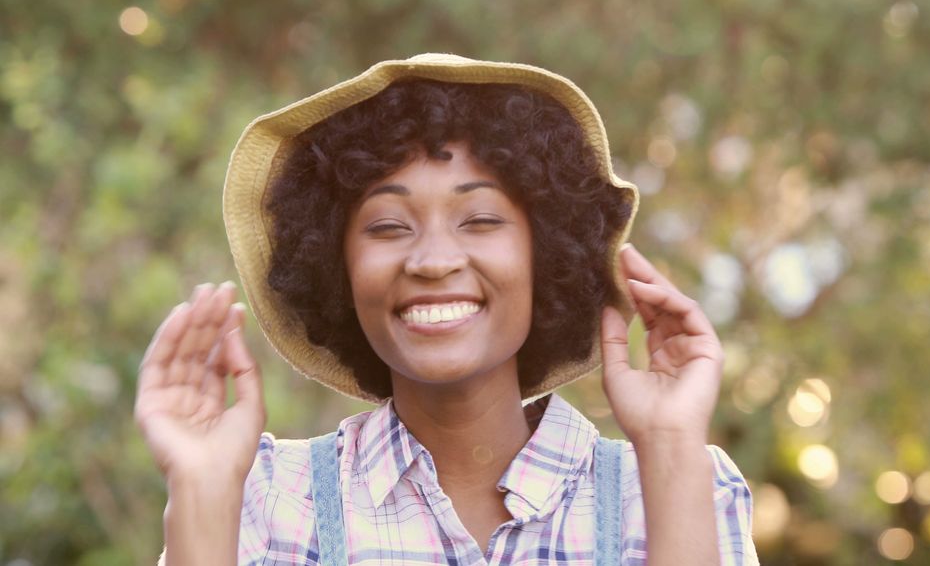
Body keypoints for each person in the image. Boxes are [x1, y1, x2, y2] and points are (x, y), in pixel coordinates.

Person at [134, 54, 758, 565]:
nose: (432, 260)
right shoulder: (267, 500)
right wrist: (199, 491)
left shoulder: (678, 487)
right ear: (336, 267)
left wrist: (672, 444)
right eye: (387, 226)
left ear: (547, 255)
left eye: (481, 219)